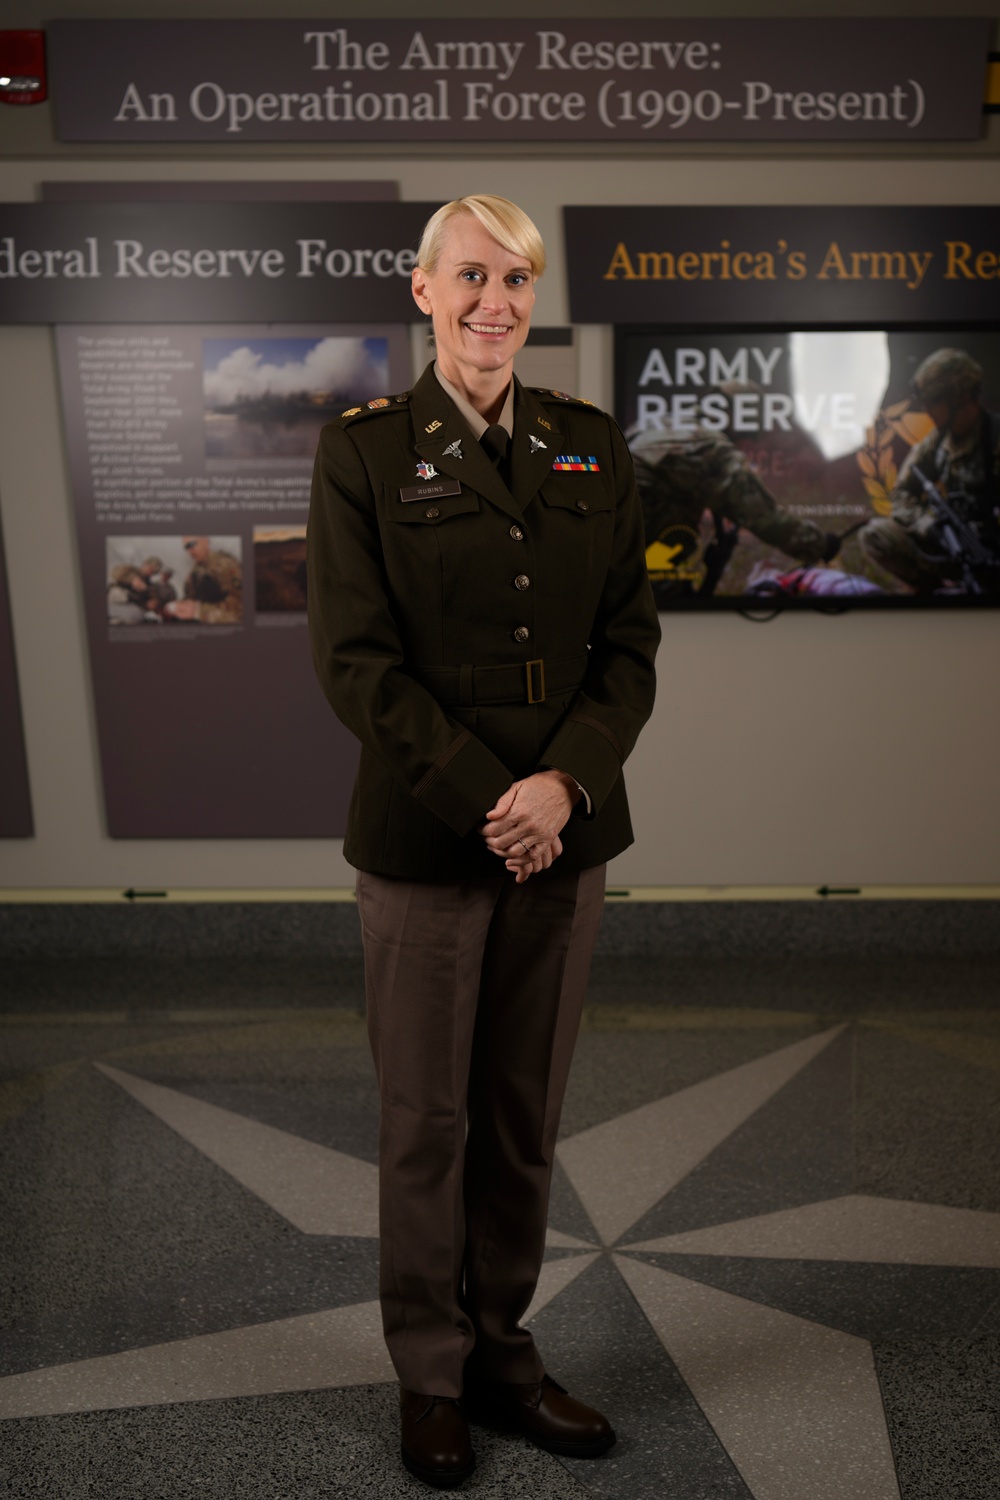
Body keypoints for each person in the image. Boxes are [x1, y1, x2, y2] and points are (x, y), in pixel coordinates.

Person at [307, 195, 659, 1489]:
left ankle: (505, 1352)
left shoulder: (587, 446)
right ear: (422, 290)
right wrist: (491, 799)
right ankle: (432, 1375)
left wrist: (561, 784)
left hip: (565, 839)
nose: (494, 301)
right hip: (424, 841)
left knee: (522, 1115)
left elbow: (629, 646)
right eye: (470, 276)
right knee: (427, 1121)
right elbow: (356, 663)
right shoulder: (361, 452)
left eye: (515, 278)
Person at [628, 418, 842, 599]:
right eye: (749, 436)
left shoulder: (661, 425)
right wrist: (820, 545)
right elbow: (766, 519)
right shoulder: (715, 450)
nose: (747, 443)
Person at [859, 348, 1000, 593]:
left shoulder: (994, 438)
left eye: (933, 402)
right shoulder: (937, 440)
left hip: (992, 553)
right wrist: (930, 527)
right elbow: (902, 493)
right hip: (950, 546)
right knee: (876, 536)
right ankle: (937, 595)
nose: (926, 411)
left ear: (960, 397)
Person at [164, 536, 243, 623]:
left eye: (192, 544)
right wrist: (178, 606)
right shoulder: (195, 571)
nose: (189, 551)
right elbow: (191, 598)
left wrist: (199, 612)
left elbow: (241, 609)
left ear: (205, 541)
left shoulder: (225, 564)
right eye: (186, 547)